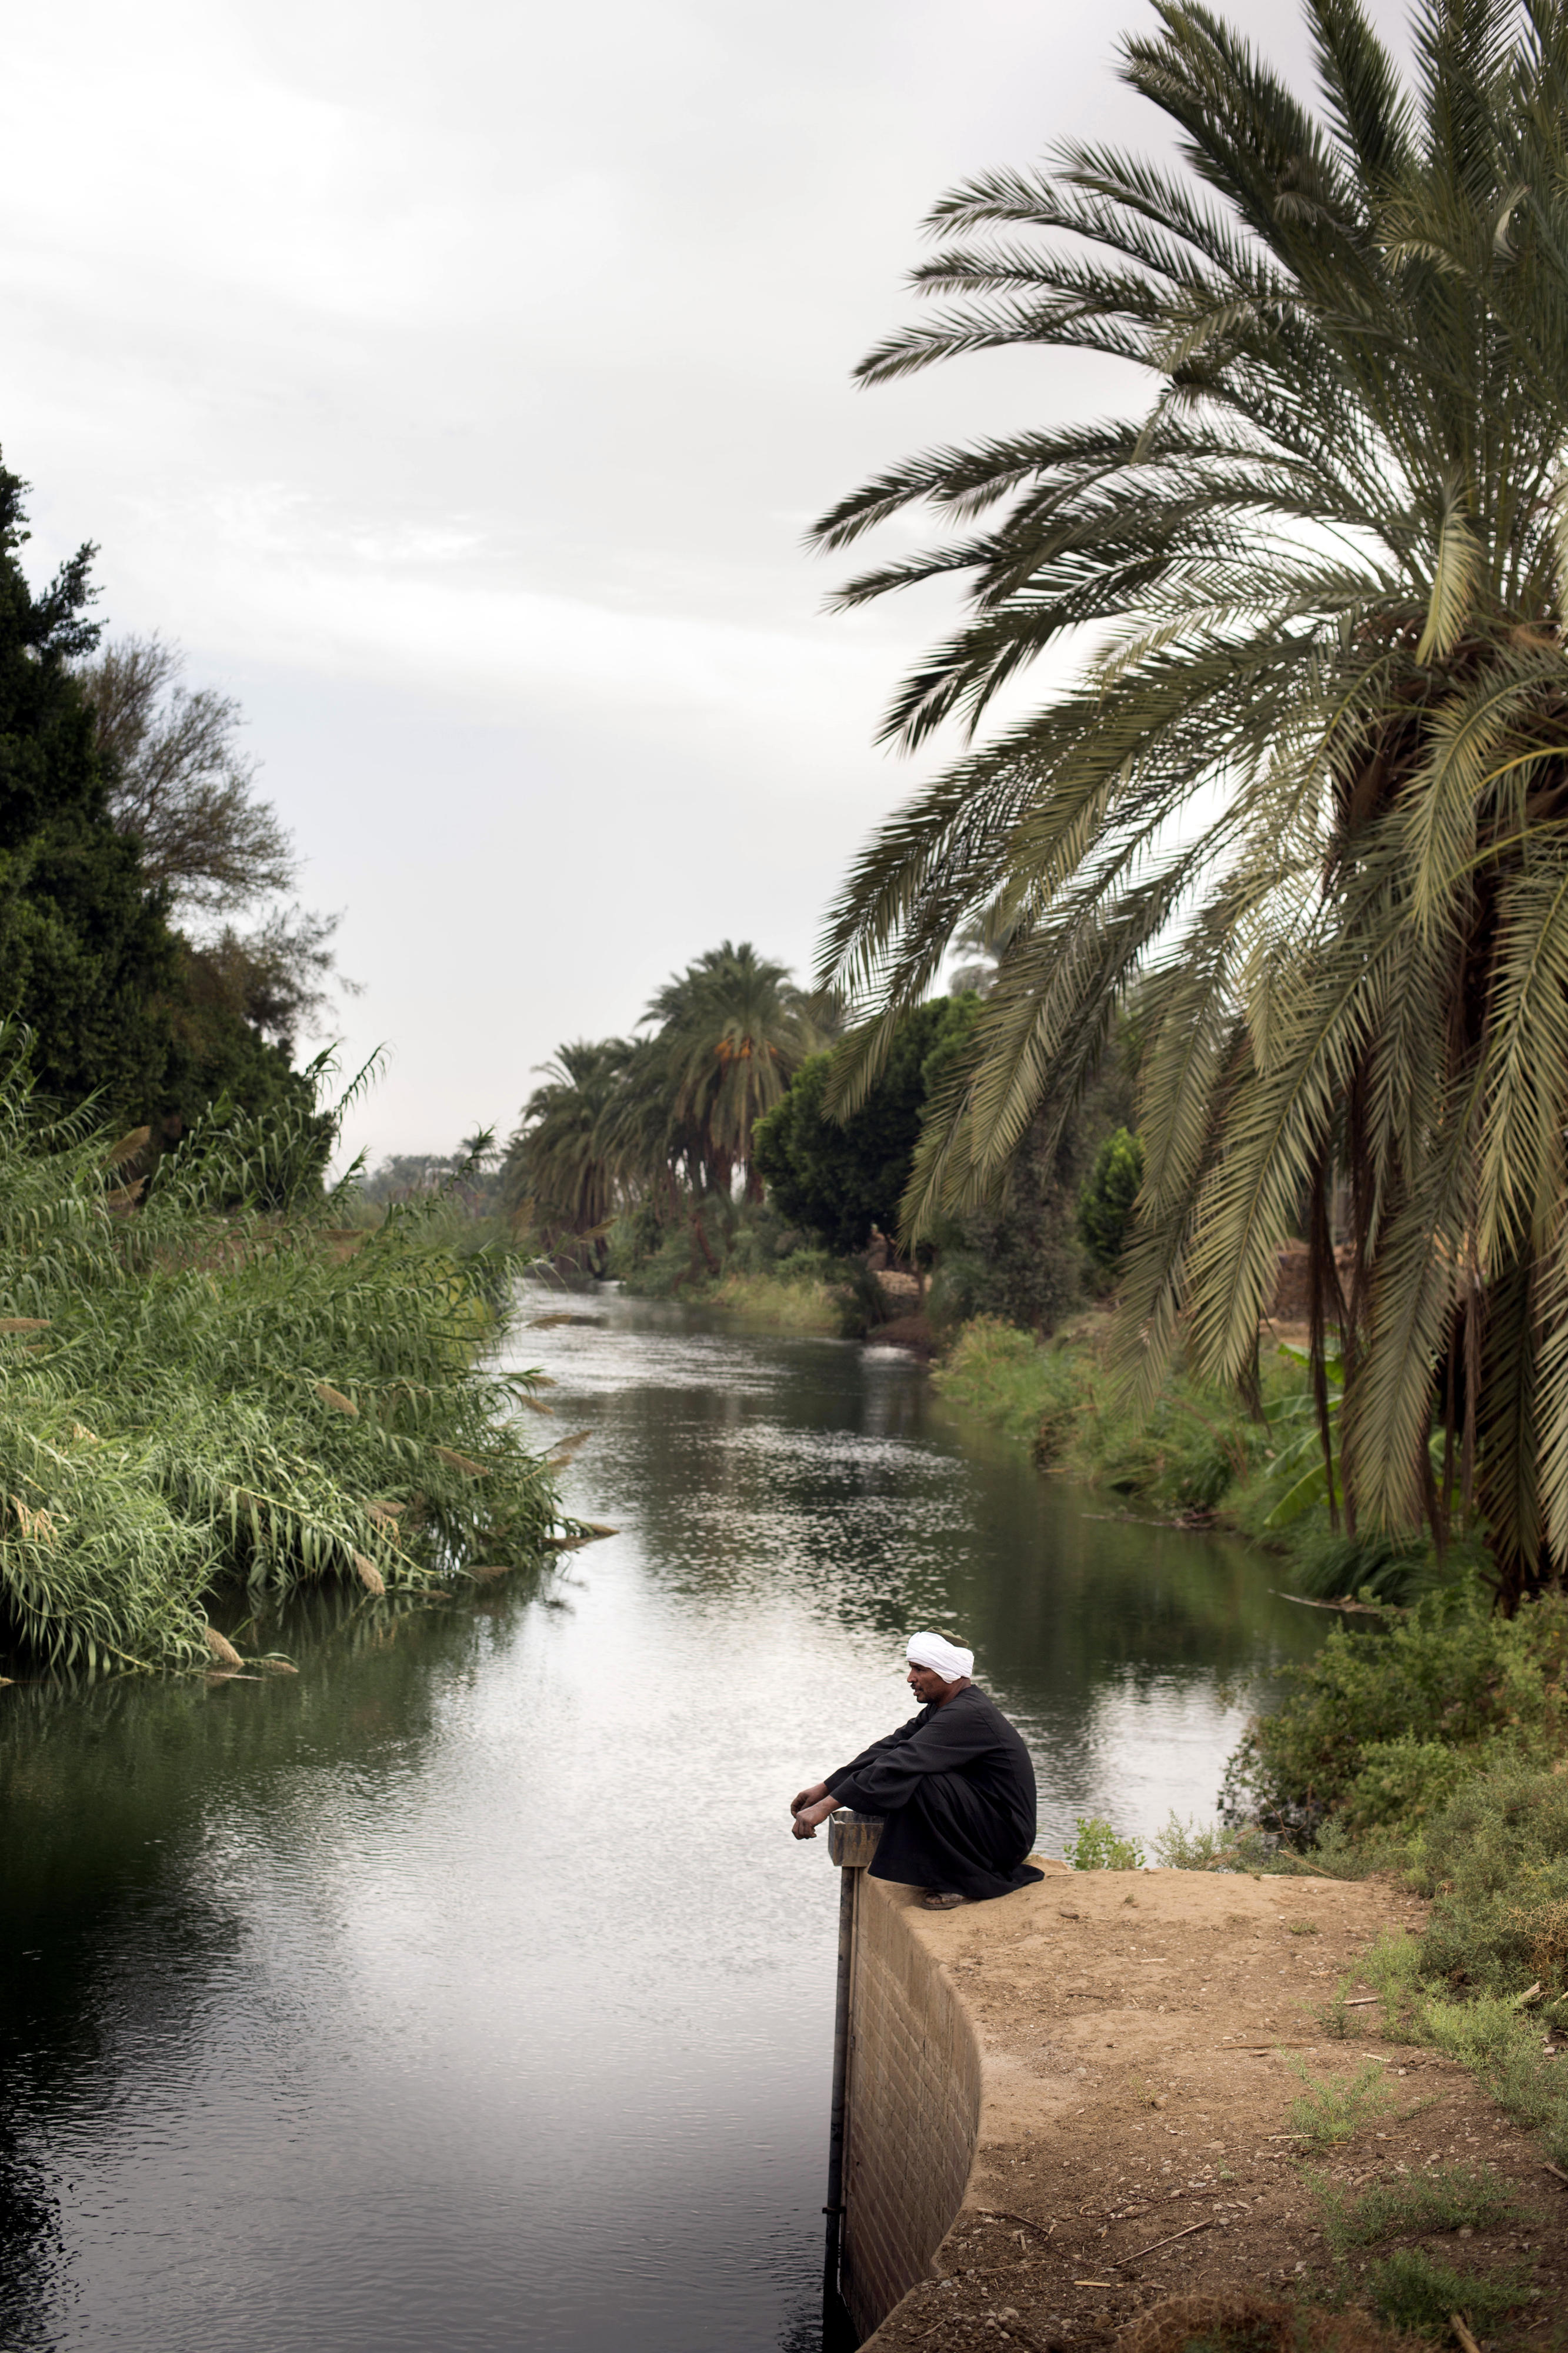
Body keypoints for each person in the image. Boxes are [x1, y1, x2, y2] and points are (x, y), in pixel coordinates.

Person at [790, 1632, 1045, 1909]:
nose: (910, 1678)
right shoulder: (944, 1709)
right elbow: (889, 1748)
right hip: (987, 1827)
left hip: (1005, 1840)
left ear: (948, 1673)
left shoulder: (968, 1714)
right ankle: (946, 1869)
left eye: (920, 1670)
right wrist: (826, 1787)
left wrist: (826, 1807)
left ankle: (960, 1880)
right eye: (912, 1668)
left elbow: (901, 1761)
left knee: (918, 1777)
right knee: (908, 1767)